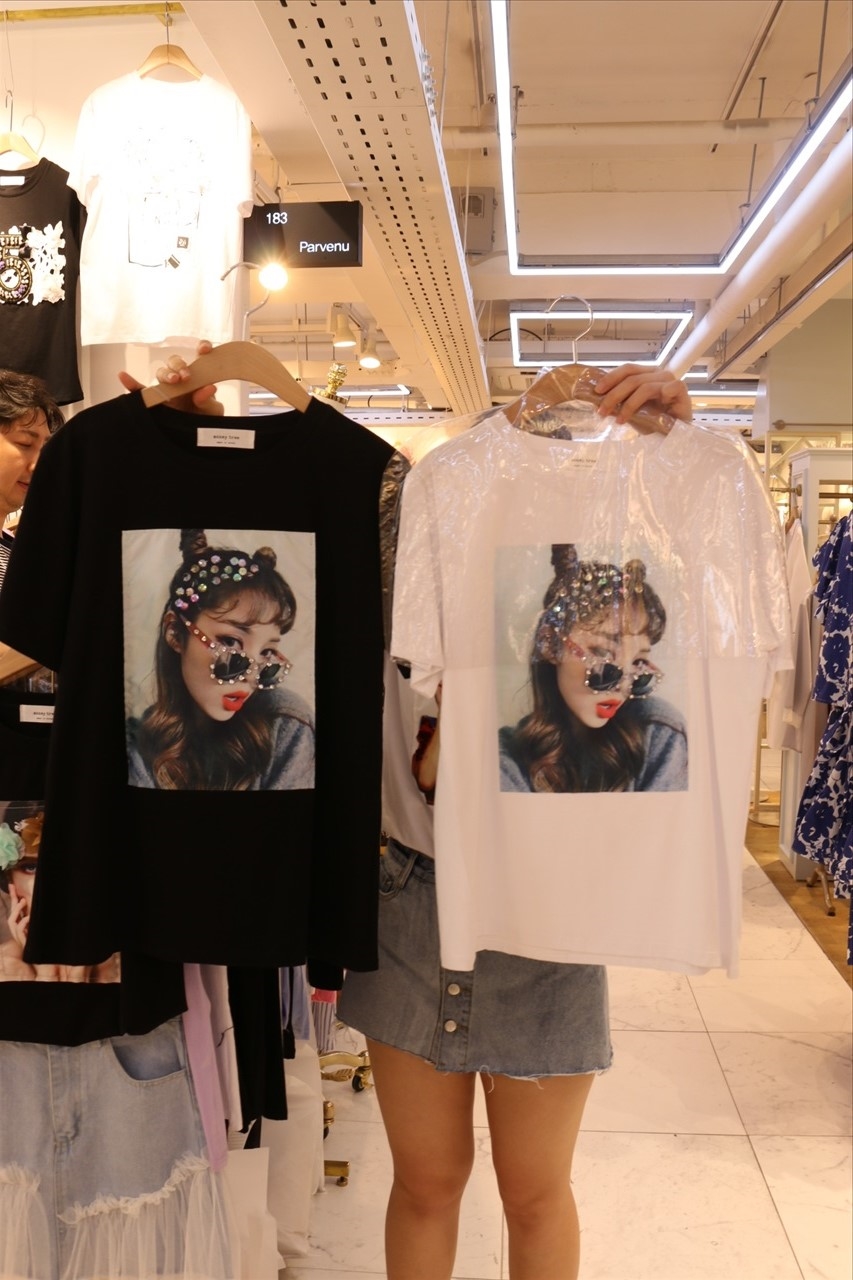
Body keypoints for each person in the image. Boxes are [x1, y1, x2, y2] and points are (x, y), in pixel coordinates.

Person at [148, 352, 692, 1280]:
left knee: (534, 1189)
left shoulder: (571, 614)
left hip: (543, 909)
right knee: (428, 1181)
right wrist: (181, 433)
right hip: (408, 899)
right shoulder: (390, 548)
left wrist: (672, 442)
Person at [126, 526, 315, 791]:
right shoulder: (139, 742)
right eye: (230, 642)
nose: (252, 676)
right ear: (175, 634)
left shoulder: (287, 725)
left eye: (266, 652)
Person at [499, 543, 688, 793]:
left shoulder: (660, 732)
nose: (623, 685)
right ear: (551, 644)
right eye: (602, 653)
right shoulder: (505, 757)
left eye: (637, 663)